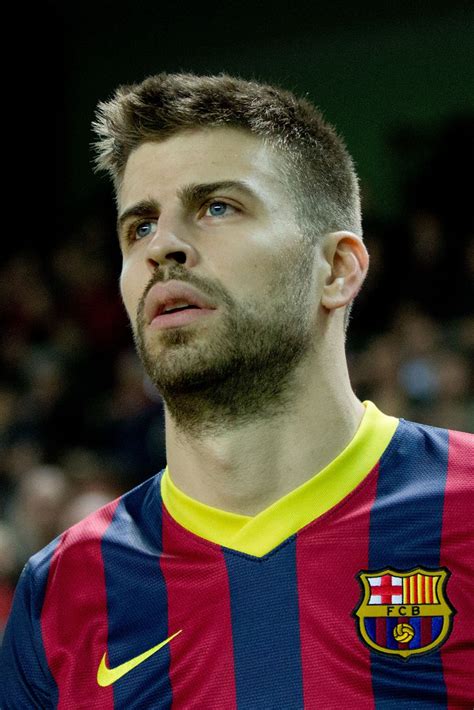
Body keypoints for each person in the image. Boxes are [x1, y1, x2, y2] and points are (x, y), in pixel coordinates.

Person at [1, 72, 472, 709]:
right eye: (138, 227)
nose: (162, 246)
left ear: (336, 268)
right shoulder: (61, 588)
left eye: (218, 207)